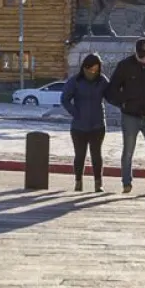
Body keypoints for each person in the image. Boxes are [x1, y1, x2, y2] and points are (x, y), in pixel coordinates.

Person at [107, 38, 145, 196]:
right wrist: (123, 103)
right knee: (128, 150)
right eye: (141, 56)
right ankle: (126, 183)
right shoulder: (124, 66)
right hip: (130, 115)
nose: (144, 59)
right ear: (135, 53)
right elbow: (112, 89)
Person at [60, 53, 110, 192]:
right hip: (79, 126)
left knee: (96, 155)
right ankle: (78, 181)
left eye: (95, 70)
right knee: (80, 155)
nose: (92, 72)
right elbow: (64, 99)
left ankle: (98, 183)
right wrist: (75, 113)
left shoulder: (102, 81)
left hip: (97, 124)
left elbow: (111, 96)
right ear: (84, 68)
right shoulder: (75, 81)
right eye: (90, 69)